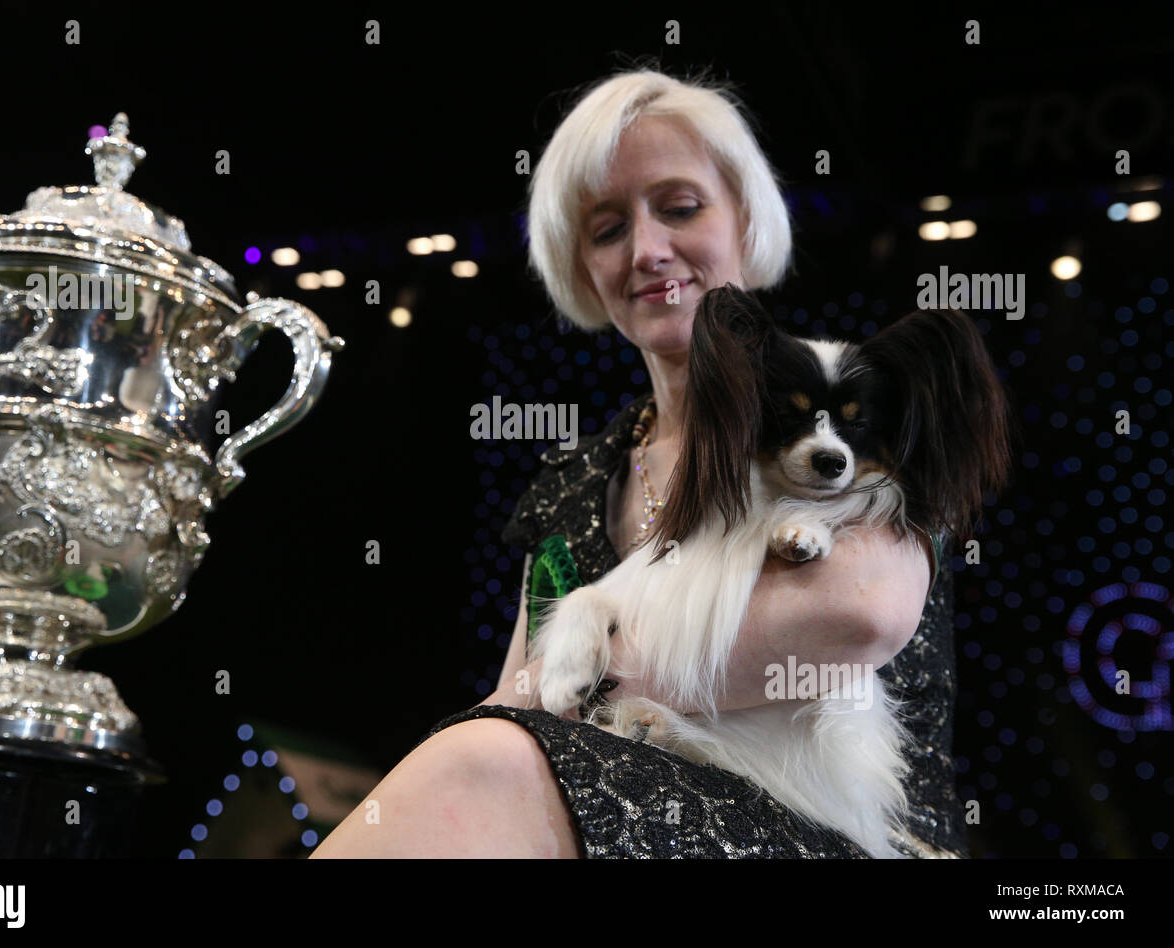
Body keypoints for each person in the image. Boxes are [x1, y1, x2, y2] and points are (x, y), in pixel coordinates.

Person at [313, 67, 962, 858]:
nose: (649, 250)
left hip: (824, 832)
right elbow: (516, 696)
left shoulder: (849, 430)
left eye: (680, 208)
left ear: (747, 218)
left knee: (483, 758)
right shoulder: (573, 482)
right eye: (607, 228)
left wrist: (580, 678)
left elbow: (860, 610)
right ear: (580, 265)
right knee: (476, 760)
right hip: (608, 821)